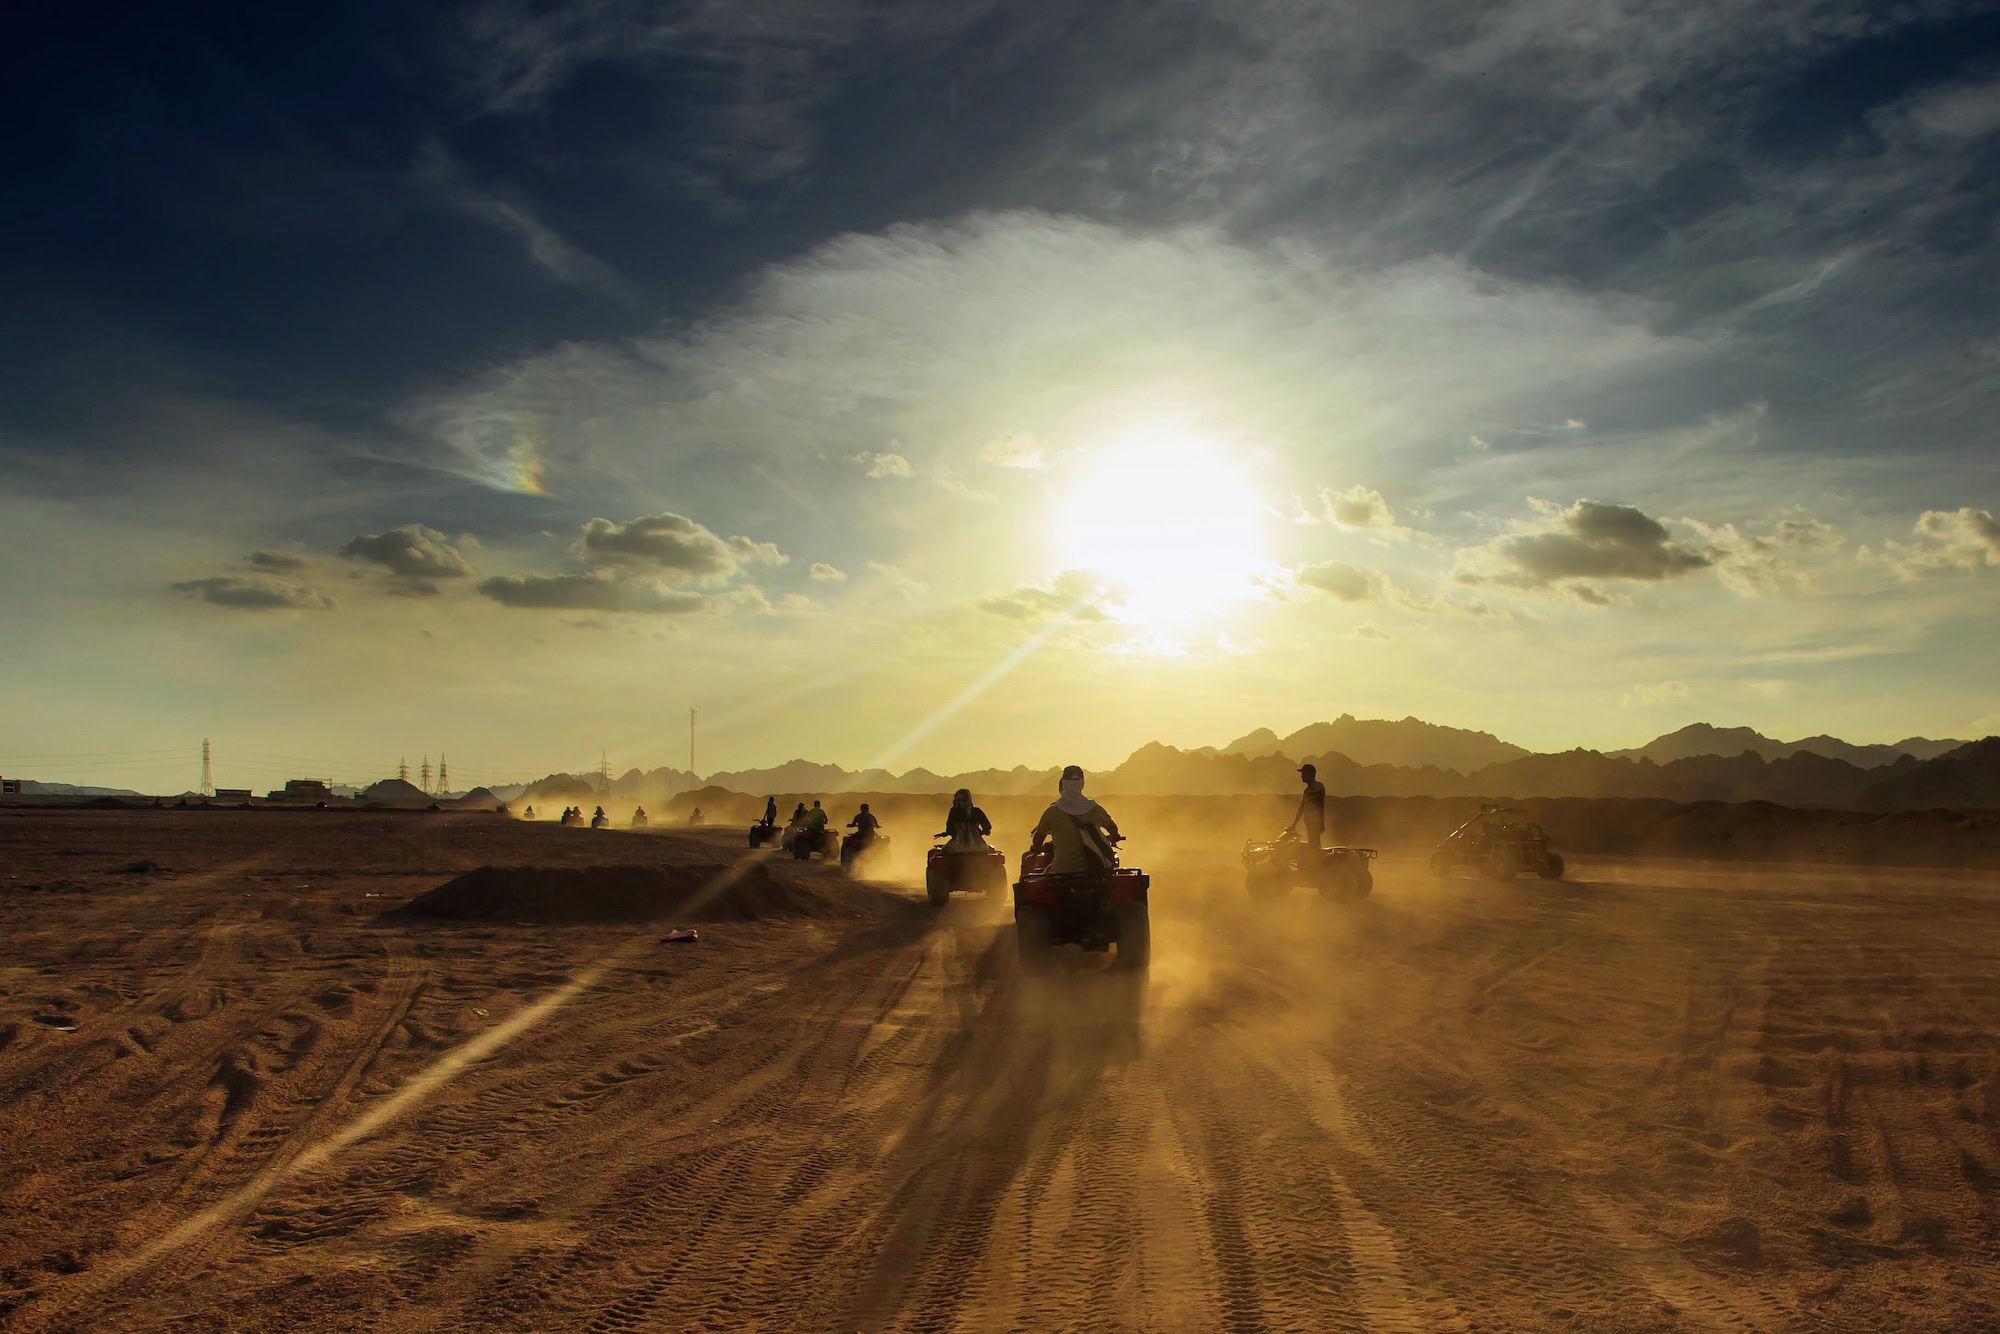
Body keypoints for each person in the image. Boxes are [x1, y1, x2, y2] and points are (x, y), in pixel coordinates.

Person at [1029, 766, 1120, 874]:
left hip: (1061, 872)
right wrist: (1114, 836)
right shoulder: (1095, 809)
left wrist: (1037, 847)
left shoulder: (1052, 812)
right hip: (1094, 872)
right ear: (1082, 784)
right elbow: (1113, 828)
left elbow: (1038, 839)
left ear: (1063, 784)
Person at [1287, 762, 1327, 848]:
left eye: (1303, 773)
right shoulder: (1307, 791)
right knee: (1313, 843)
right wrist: (1294, 824)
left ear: (1309, 774)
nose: (1301, 776)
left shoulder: (1318, 788)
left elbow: (1319, 805)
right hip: (1309, 822)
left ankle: (1316, 860)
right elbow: (1302, 807)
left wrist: (1320, 822)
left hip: (1315, 822)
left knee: (1314, 843)